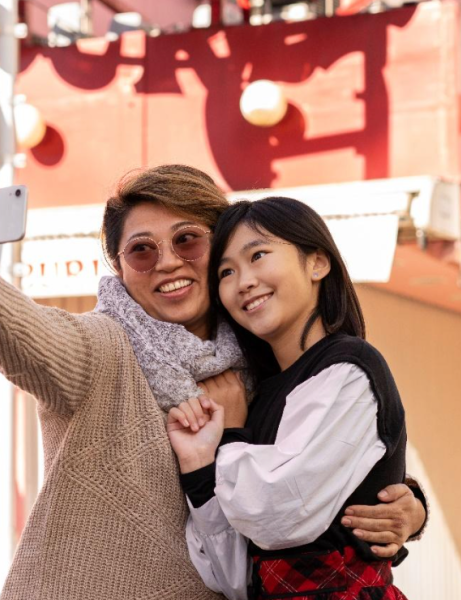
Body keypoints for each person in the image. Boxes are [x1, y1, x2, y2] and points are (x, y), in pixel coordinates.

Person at [0, 166, 426, 600]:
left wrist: (405, 502)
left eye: (188, 240)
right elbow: (36, 341)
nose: (166, 261)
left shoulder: (265, 364)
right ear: (119, 268)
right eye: (141, 250)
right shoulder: (105, 348)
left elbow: (314, 473)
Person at [167, 197, 410, 600]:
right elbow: (231, 575)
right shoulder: (260, 395)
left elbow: (277, 513)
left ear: (317, 263)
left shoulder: (350, 367)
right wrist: (197, 465)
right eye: (226, 272)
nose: (243, 281)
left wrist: (229, 435)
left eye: (258, 255)